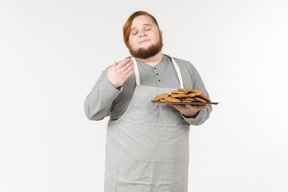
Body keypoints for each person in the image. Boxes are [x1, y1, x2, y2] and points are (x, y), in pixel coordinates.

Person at [84, 11, 212, 192]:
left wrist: (192, 113)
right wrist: (111, 84)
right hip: (126, 179)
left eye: (147, 28)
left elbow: (205, 112)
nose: (142, 33)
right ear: (128, 43)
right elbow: (91, 112)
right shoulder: (117, 71)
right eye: (134, 33)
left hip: (171, 178)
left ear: (160, 33)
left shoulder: (186, 69)